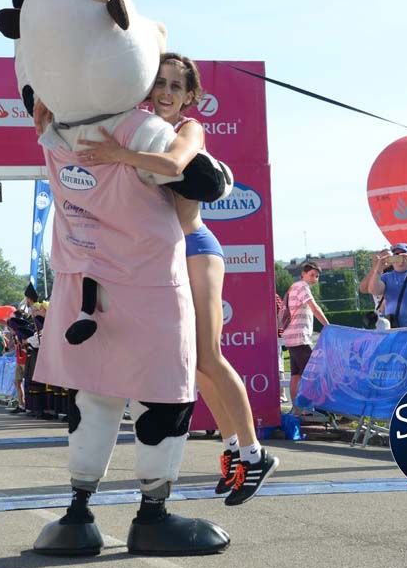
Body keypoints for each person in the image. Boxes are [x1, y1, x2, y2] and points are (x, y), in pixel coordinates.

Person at [50, 53, 279, 505]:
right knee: (190, 365)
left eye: (177, 85)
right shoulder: (133, 125)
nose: (167, 92)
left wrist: (116, 154)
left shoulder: (187, 131)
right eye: (160, 83)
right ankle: (233, 448)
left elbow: (174, 166)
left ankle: (255, 453)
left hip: (194, 249)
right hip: (157, 259)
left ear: (191, 96)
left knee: (209, 356)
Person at [282, 261, 329, 416]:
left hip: (290, 336)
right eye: (312, 275)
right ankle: (308, 407)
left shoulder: (293, 287)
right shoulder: (303, 287)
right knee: (312, 372)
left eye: (317, 276)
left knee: (296, 375)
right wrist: (328, 326)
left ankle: (297, 410)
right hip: (300, 336)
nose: (314, 279)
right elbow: (314, 307)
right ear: (303, 274)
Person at [359, 242, 407, 327]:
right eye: (396, 256)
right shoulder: (386, 277)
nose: (400, 259)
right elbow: (374, 290)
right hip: (397, 329)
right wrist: (377, 270)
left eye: (403, 255)